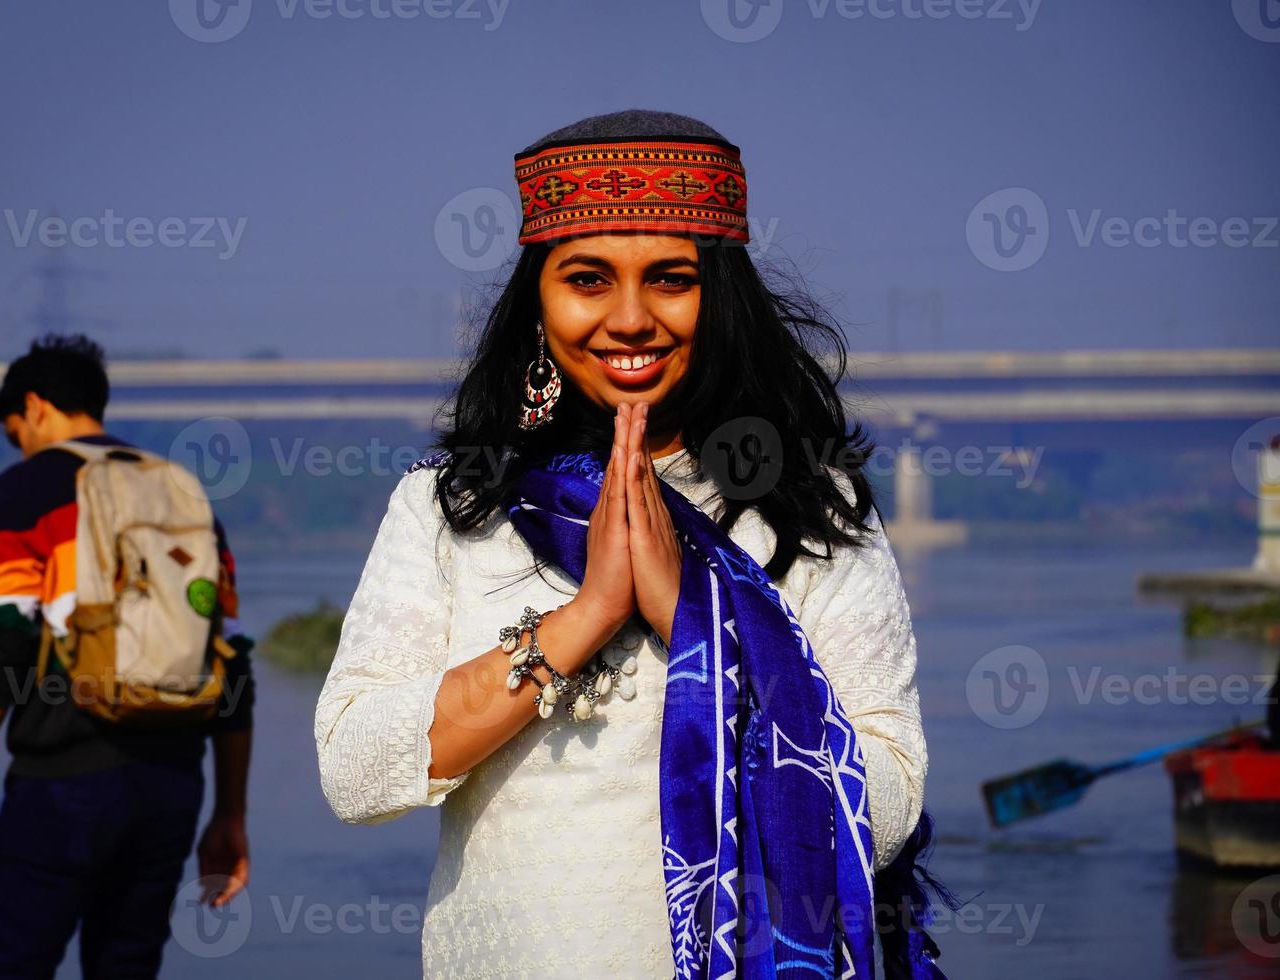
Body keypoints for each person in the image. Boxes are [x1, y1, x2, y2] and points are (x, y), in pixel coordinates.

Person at [315, 110, 946, 978]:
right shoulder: (452, 505)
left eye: (671, 280)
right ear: (539, 298)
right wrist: (584, 618)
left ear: (721, 298)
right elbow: (355, 773)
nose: (630, 318)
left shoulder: (808, 508)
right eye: (588, 279)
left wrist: (688, 614)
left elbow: (892, 804)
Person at [0, 334, 255, 979]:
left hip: (63, 784)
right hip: (171, 789)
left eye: (15, 429)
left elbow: (2, 647)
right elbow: (229, 663)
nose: (19, 442)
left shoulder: (22, 493)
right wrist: (229, 813)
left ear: (35, 406)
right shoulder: (181, 492)